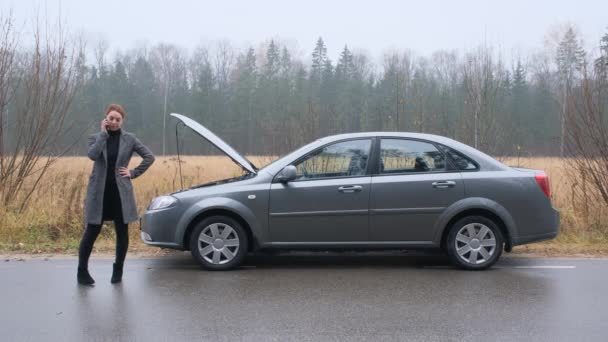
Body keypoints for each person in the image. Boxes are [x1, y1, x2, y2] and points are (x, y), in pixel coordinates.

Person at [77, 104, 155, 285]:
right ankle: (82, 272)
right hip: (99, 193)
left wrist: (133, 172)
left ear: (122, 122)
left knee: (122, 232)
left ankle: (118, 271)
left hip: (121, 194)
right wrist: (103, 134)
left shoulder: (130, 139)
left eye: (117, 119)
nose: (113, 122)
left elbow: (149, 157)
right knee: (91, 231)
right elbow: (92, 155)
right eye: (111, 118)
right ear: (105, 119)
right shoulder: (96, 138)